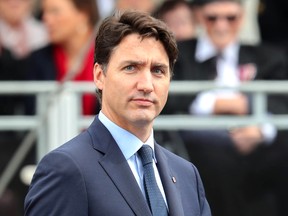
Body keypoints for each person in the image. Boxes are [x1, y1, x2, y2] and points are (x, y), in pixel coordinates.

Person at [24, 10, 211, 216]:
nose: (146, 85)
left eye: (158, 70)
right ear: (99, 76)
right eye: (131, 68)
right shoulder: (66, 169)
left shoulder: (187, 175)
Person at [164, 0, 288, 215]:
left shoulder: (267, 57)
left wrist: (261, 129)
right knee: (215, 160)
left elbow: (282, 102)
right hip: (200, 148)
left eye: (230, 18)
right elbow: (165, 95)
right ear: (199, 17)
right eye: (213, 18)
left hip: (258, 146)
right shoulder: (178, 56)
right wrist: (212, 104)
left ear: (241, 18)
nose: (221, 26)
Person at [27, 0, 100, 115]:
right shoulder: (38, 59)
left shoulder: (110, 56)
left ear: (83, 14)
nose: (46, 19)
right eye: (44, 12)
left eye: (55, 11)